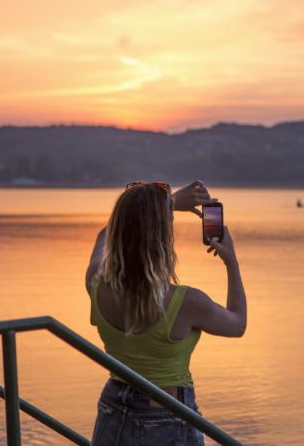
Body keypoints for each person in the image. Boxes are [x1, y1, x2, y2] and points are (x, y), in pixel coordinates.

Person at [85, 180, 247, 446]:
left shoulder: (96, 283)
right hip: (168, 417)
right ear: (163, 238)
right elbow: (238, 323)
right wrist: (232, 263)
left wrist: (168, 203)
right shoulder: (186, 302)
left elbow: (105, 235)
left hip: (113, 410)